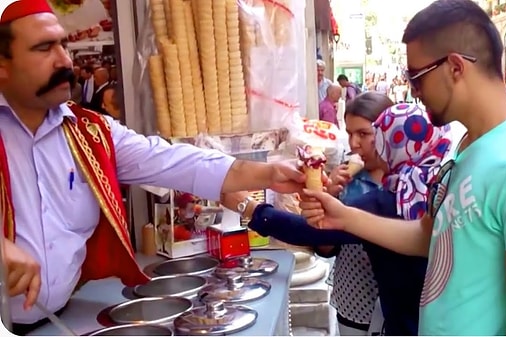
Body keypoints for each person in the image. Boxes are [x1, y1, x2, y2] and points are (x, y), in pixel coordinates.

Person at [0, 1, 307, 333]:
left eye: (63, 43)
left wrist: (268, 174)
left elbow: (176, 162)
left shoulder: (89, 133)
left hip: (63, 317)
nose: (64, 60)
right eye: (44, 48)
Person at [299, 0, 506, 335]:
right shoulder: (465, 146)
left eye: (417, 76)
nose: (413, 90)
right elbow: (431, 235)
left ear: (455, 66)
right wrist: (344, 216)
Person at [223, 100, 452, 336]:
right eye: (350, 133)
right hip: (422, 318)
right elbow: (325, 244)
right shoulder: (440, 186)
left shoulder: (389, 200)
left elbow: (307, 230)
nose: (356, 144)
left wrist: (247, 206)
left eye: (373, 137)